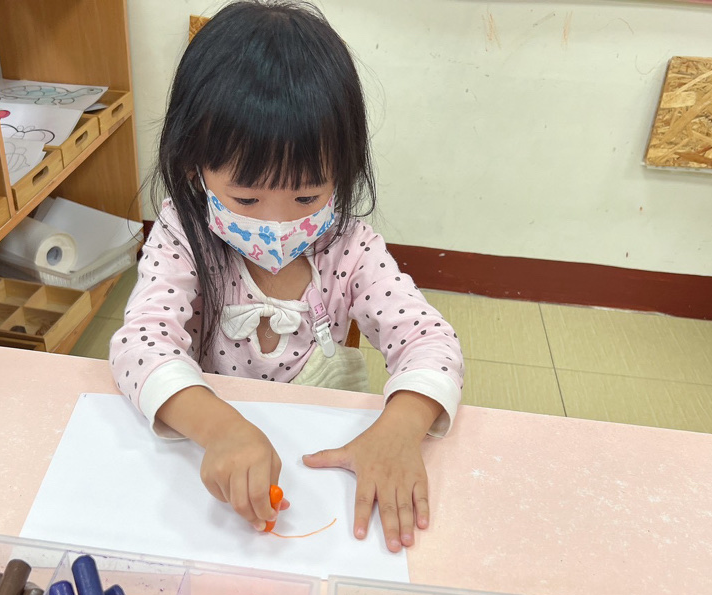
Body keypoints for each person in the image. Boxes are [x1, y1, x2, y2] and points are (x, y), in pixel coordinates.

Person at [110, 0, 464, 552]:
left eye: (306, 197)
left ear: (342, 171)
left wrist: (399, 431)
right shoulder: (183, 234)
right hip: (211, 463)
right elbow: (141, 343)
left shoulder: (351, 248)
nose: (276, 223)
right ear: (193, 167)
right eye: (247, 199)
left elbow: (431, 342)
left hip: (326, 474)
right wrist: (220, 428)